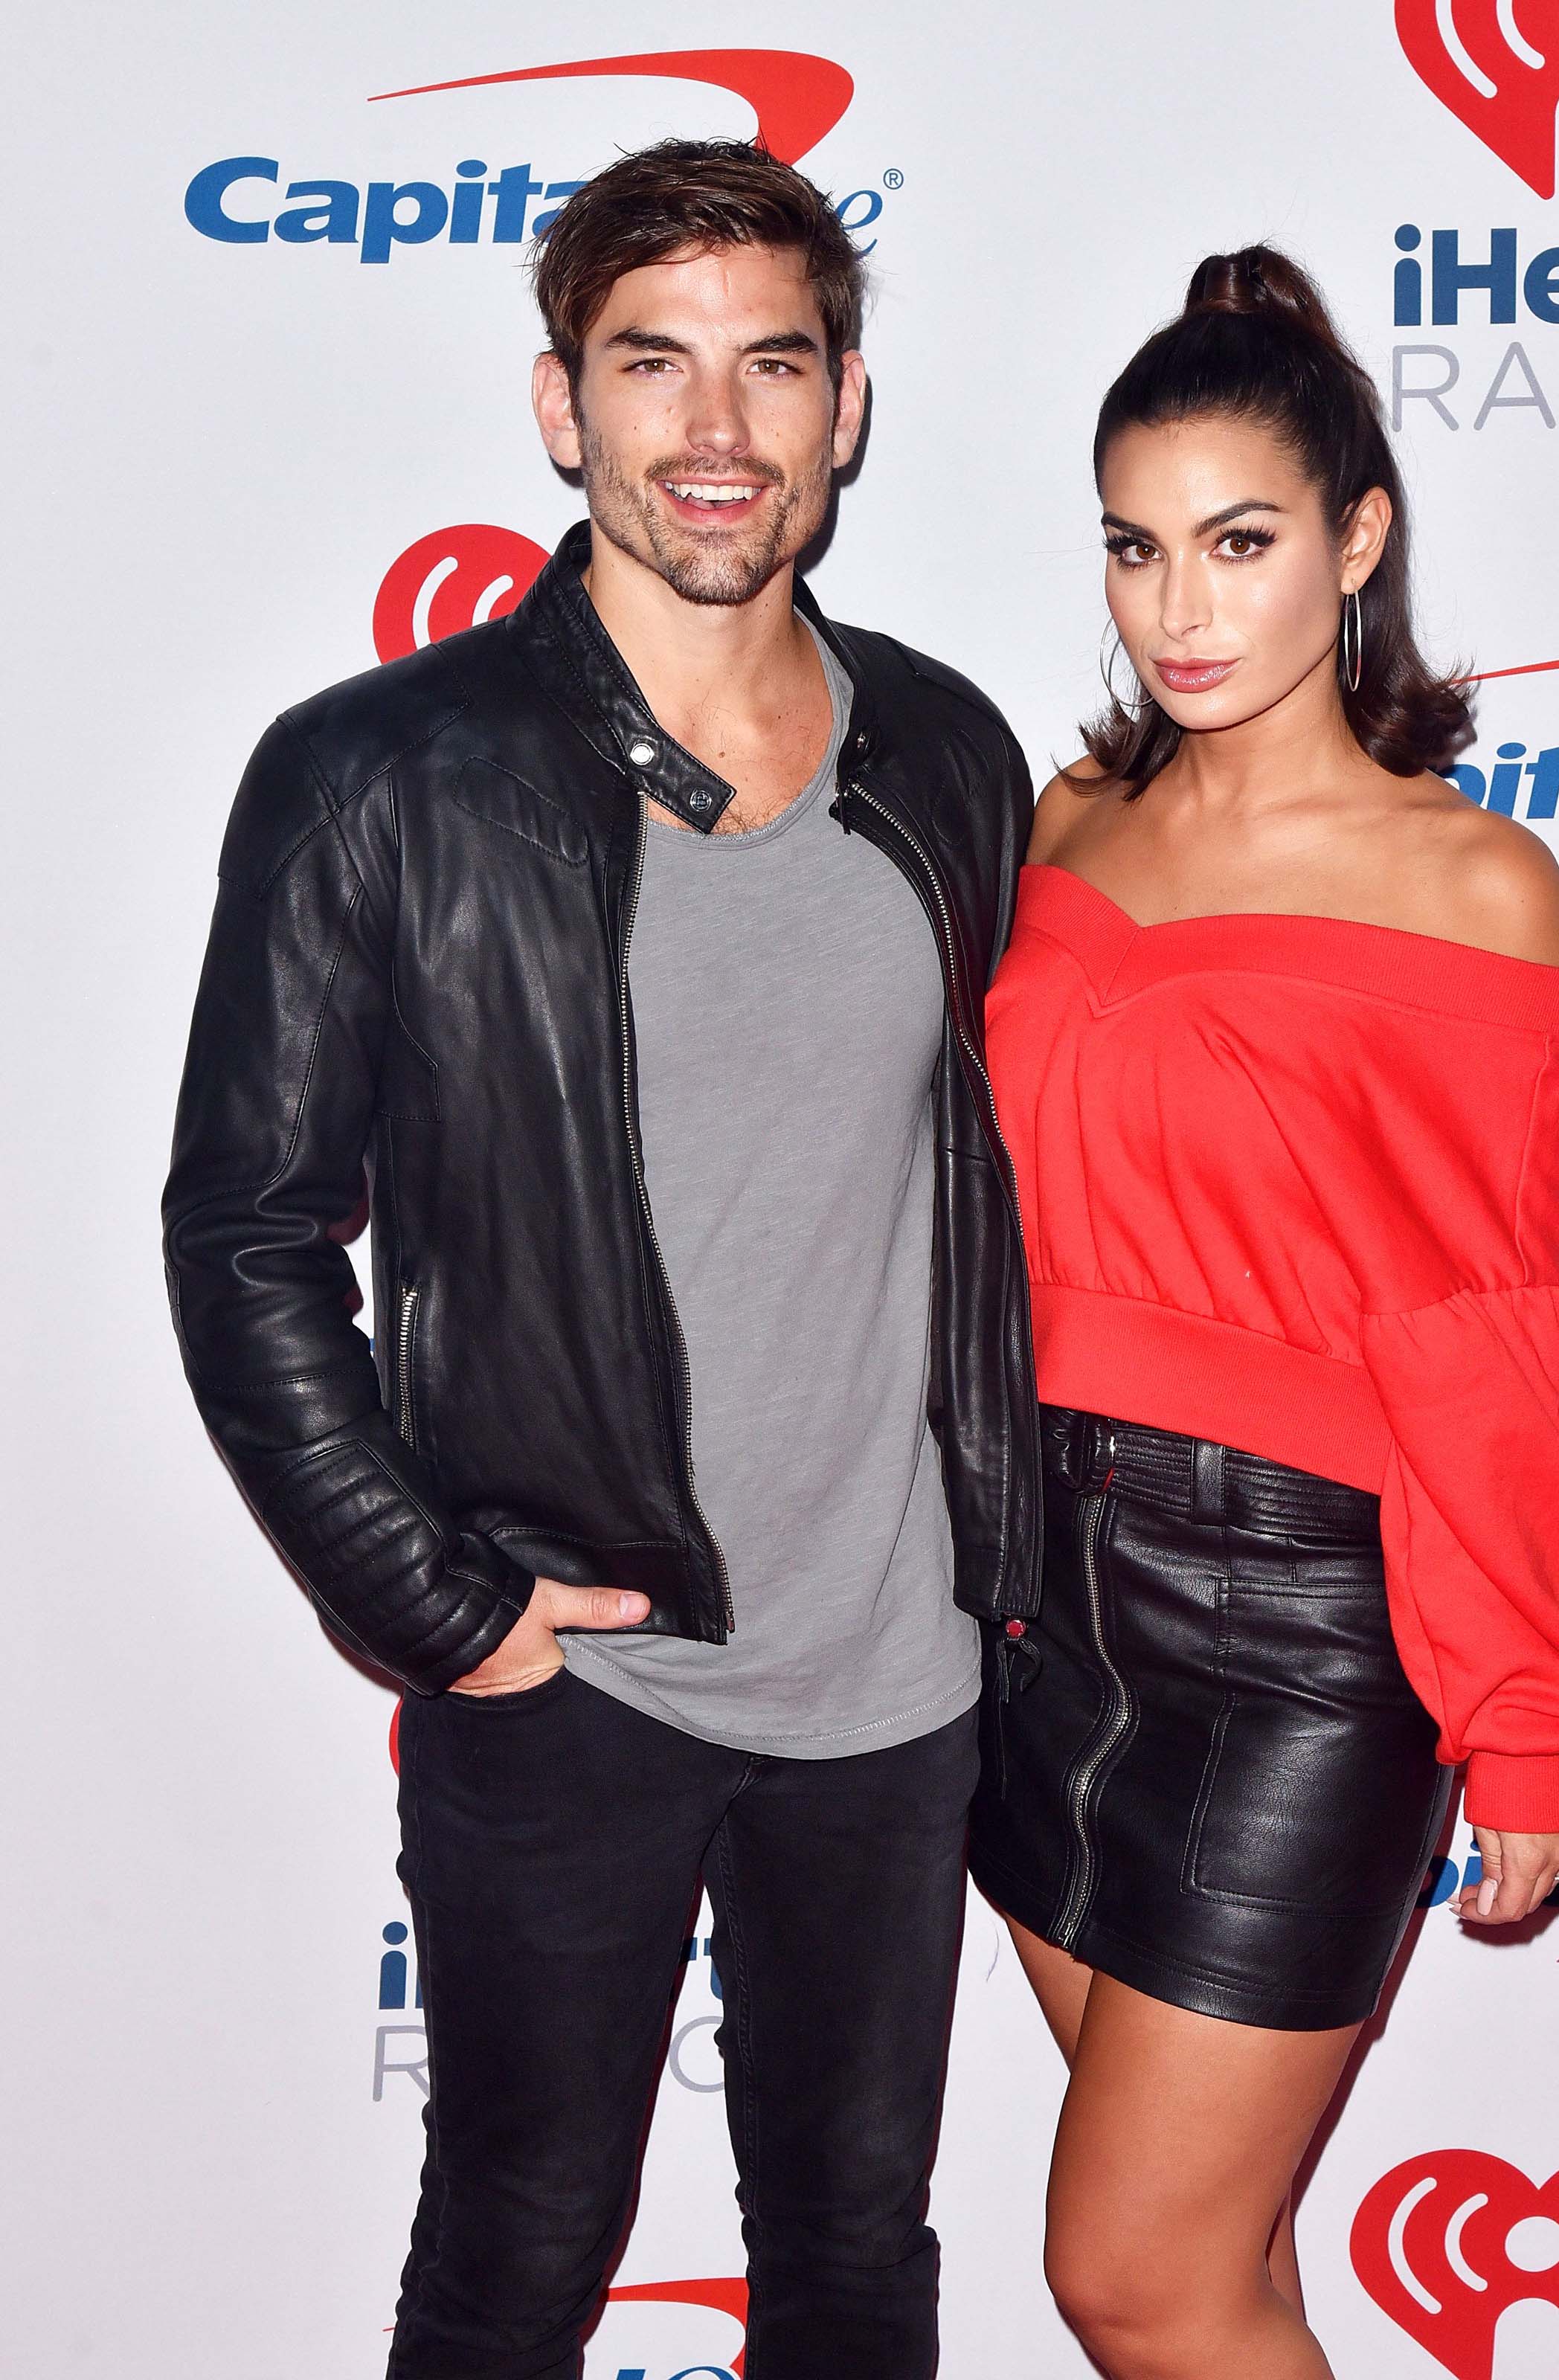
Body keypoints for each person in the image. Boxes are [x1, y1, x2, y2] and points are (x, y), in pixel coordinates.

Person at [161, 138, 1039, 2380]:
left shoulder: (949, 754)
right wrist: (440, 1609)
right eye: (654, 363)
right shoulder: (380, 773)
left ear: (848, 405)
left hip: (892, 1678)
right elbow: (246, 1232)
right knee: (516, 2259)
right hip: (572, 1676)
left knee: (858, 2262)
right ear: (562, 404)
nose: (716, 428)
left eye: (774, 365)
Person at [968, 245, 1559, 2379]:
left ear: (1354, 543)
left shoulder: (1472, 885)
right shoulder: (1066, 823)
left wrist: (1524, 1711)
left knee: (1136, 2281)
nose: (1178, 606)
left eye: (1239, 544)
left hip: (1296, 1639)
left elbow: (1490, 1340)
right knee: (1225, 2275)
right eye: (1135, 547)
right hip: (1027, 1602)